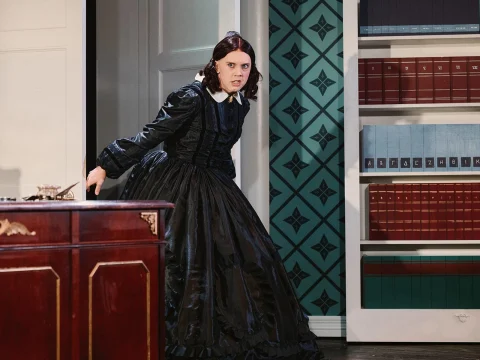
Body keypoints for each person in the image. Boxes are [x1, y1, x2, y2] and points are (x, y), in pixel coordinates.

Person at [86, 31, 324, 360]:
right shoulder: (190, 96)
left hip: (214, 187)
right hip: (173, 182)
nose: (239, 72)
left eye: (245, 66)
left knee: (245, 261)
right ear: (215, 65)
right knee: (177, 262)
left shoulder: (238, 105)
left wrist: (227, 197)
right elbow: (151, 135)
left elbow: (221, 154)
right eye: (231, 65)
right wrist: (106, 165)